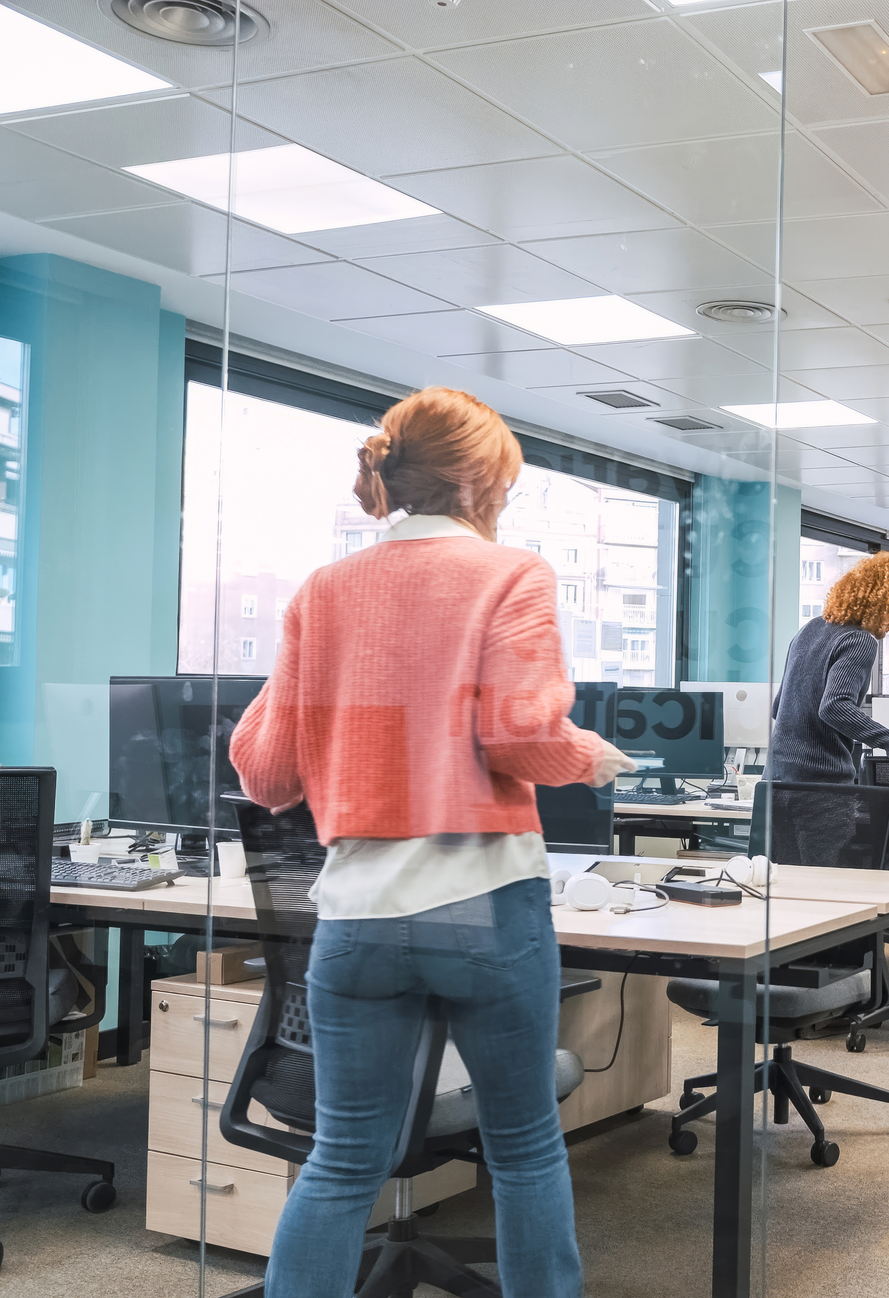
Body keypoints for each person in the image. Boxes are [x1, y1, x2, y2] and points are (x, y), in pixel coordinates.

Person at [230, 387, 632, 1298]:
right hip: (484, 911)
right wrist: (590, 759)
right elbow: (521, 737)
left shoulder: (323, 592)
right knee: (524, 1149)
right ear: (480, 481)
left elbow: (264, 772)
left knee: (341, 1161)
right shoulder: (510, 574)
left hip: (358, 920)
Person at [767, 551, 889, 784]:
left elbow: (778, 706)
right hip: (820, 783)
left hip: (775, 779)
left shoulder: (809, 629)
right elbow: (834, 707)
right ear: (881, 601)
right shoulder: (859, 640)